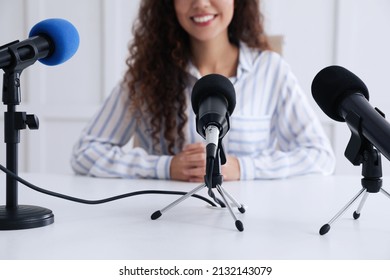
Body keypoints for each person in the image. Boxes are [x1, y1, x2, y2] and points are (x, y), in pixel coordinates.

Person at [71, 0, 335, 182]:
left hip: (247, 224)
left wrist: (243, 168)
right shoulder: (147, 74)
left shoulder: (270, 69)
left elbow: (320, 157)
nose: (200, 3)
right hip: (163, 223)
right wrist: (165, 167)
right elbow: (85, 153)